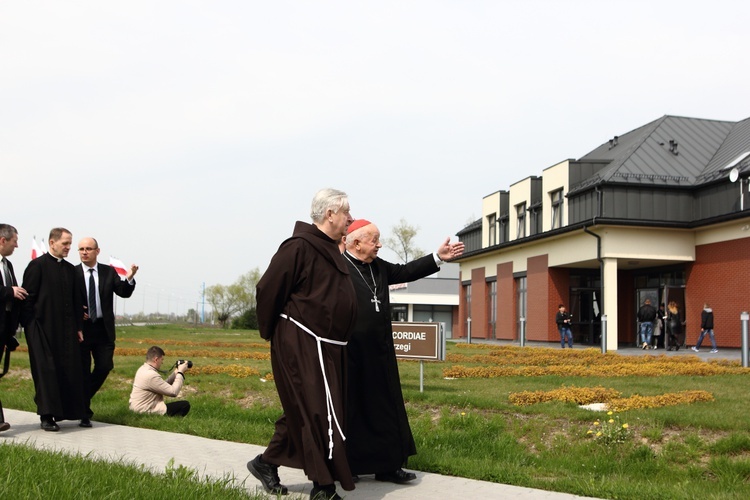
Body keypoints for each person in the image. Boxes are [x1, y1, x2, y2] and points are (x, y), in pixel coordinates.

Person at [247, 188, 356, 500]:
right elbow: (267, 289)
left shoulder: (331, 249)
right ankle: (323, 487)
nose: (349, 217)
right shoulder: (298, 247)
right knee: (316, 411)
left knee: (307, 410)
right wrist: (275, 332)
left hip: (327, 346)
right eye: (345, 211)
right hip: (300, 341)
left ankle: (265, 462)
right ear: (329, 214)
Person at [343, 219, 464, 484]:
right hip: (350, 354)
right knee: (352, 410)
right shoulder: (338, 267)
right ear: (355, 242)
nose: (379, 244)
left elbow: (406, 271)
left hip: (381, 353)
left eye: (378, 239)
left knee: (386, 409)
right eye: (374, 240)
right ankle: (348, 465)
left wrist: (437, 257)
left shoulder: (379, 267)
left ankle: (388, 465)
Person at [20, 227, 86, 431]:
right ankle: (46, 416)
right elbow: (27, 300)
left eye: (69, 244)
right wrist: (31, 328)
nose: (68, 248)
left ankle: (67, 412)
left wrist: (78, 327)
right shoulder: (36, 266)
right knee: (46, 372)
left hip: (66, 332)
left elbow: (76, 302)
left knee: (67, 370)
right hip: (41, 330)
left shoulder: (70, 270)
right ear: (52, 243)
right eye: (65, 243)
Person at [77, 237, 138, 427]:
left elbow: (123, 291)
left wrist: (129, 277)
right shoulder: (73, 273)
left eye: (88, 249)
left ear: (97, 251)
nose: (84, 252)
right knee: (83, 371)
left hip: (103, 330)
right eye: (81, 249)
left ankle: (79, 399)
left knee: (104, 366)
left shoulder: (107, 272)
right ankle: (84, 413)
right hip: (81, 330)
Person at [0, 224, 28, 432]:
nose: (17, 245)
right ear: (3, 240)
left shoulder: (7, 265)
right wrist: (9, 291)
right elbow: (8, 293)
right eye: (14, 241)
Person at [128, 345, 191, 416]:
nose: (162, 362)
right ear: (156, 359)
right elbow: (173, 392)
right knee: (185, 405)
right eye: (162, 359)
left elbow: (162, 386)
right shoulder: (151, 375)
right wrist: (180, 373)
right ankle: (170, 422)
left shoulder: (143, 369)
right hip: (145, 411)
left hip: (137, 408)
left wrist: (176, 372)